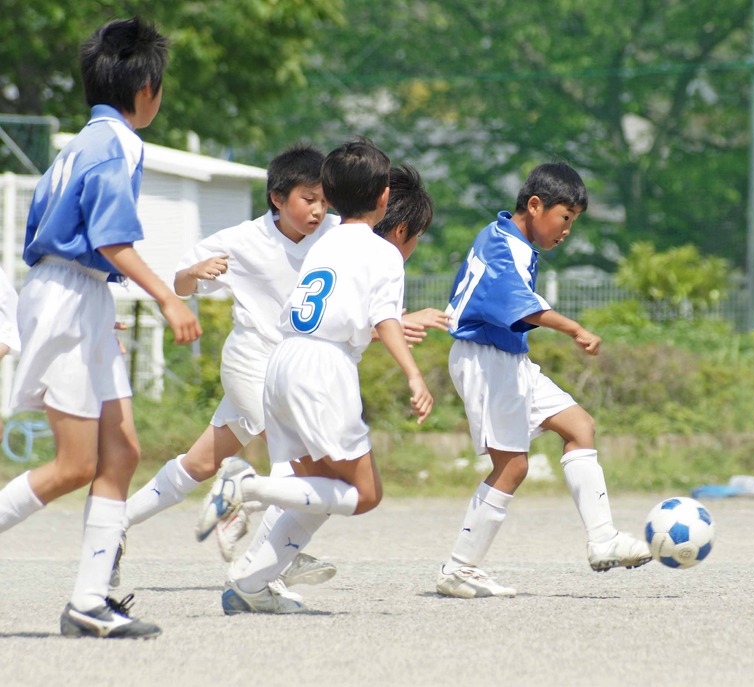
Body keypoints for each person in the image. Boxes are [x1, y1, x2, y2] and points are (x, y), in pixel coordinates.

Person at [0, 18, 201, 638]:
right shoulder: (120, 145)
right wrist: (170, 299)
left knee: (121, 453)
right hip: (69, 298)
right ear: (146, 90)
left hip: (73, 294)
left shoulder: (82, 141)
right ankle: (88, 601)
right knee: (74, 464)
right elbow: (112, 238)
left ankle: (89, 602)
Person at [196, 145, 435, 614]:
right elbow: (385, 317)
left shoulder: (324, 240)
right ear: (385, 199)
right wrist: (413, 374)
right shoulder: (383, 252)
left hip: (282, 362)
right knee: (364, 495)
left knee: (317, 493)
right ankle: (245, 487)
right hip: (322, 371)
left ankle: (250, 584)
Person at [112, 144, 341, 599]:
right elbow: (180, 282)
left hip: (296, 370)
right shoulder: (242, 239)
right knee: (295, 455)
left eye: (324, 199)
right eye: (308, 198)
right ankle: (269, 560)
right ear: (278, 198)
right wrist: (195, 272)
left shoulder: (335, 233)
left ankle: (113, 523)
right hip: (250, 363)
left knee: (199, 464)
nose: (318, 209)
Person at [436, 162, 651, 599]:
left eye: (573, 221)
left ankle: (603, 539)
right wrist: (573, 327)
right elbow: (516, 304)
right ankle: (459, 569)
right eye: (565, 218)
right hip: (486, 359)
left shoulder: (507, 238)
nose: (567, 230)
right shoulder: (504, 245)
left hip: (508, 357)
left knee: (579, 426)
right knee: (513, 467)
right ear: (535, 206)